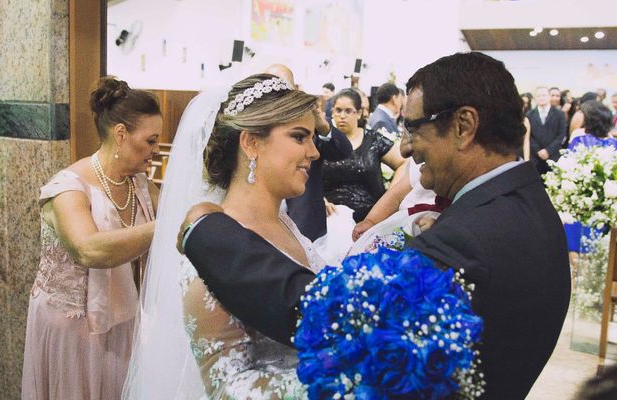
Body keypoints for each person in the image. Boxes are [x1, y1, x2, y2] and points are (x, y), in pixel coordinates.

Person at [183, 52, 570, 400]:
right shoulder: (525, 208)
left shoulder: (472, 238)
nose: (404, 148)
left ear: (464, 126)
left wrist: (205, 231)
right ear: (250, 143)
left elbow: (337, 313)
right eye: (298, 136)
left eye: (414, 128)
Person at [123, 74, 326, 399]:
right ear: (250, 142)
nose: (314, 152)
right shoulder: (210, 247)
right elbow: (227, 386)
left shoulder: (286, 224)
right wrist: (344, 381)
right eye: (300, 137)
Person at [22, 77, 161, 399]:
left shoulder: (139, 184)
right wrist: (165, 226)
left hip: (122, 319)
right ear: (121, 134)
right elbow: (88, 250)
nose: (155, 151)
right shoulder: (68, 188)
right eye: (151, 141)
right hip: (72, 329)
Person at [268, 66, 352, 242]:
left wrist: (323, 125)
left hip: (306, 220)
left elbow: (342, 151)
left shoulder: (310, 121)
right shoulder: (254, 128)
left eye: (284, 88)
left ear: (294, 89)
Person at [322, 88, 406, 223]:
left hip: (370, 218)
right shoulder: (324, 142)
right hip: (331, 220)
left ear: (359, 113)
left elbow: (403, 162)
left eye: (348, 111)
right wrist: (319, 199)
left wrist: (391, 197)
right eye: (338, 110)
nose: (342, 116)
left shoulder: (373, 140)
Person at [564, 101, 617, 268]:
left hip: (580, 205)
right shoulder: (613, 145)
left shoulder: (579, 141)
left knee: (575, 248)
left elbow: (567, 169)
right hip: (603, 208)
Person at [527, 86, 568, 176]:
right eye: (538, 96)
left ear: (549, 97)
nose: (541, 98)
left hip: (553, 156)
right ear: (535, 98)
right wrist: (538, 150)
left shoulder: (559, 114)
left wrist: (548, 150)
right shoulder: (529, 115)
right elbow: (528, 136)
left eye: (544, 95)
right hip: (535, 158)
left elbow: (561, 135)